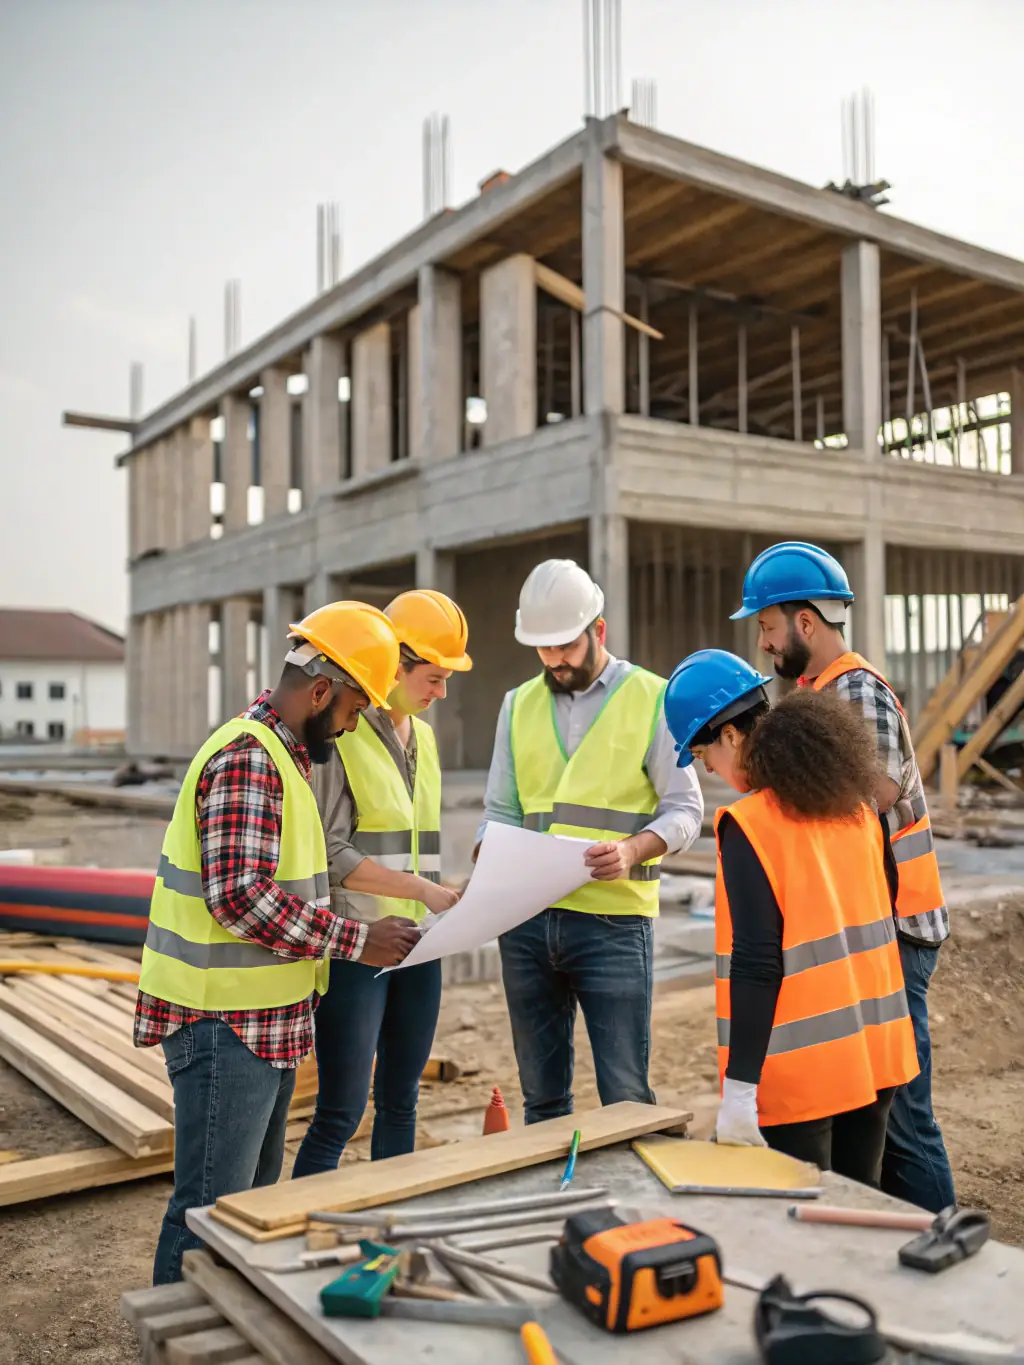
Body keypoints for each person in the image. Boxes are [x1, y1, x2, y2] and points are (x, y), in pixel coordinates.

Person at [135, 601, 422, 1284]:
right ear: (321, 690)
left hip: (264, 1021)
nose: (354, 724)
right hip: (222, 1024)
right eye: (354, 708)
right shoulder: (248, 759)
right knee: (208, 1207)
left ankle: (215, 1324)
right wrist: (357, 939)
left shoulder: (286, 757)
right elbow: (240, 896)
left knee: (248, 1202)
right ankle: (177, 1334)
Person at [731, 540, 955, 1212]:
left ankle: (944, 1246)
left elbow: (870, 799)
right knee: (877, 1116)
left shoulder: (860, 692)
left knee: (906, 1121)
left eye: (768, 627)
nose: (766, 643)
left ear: (805, 623)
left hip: (902, 928)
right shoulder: (818, 695)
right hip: (872, 932)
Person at [664, 649, 919, 1183]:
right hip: (876, 1050)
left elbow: (757, 961)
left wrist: (739, 1089)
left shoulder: (750, 823)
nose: (707, 767)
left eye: (704, 751)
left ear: (732, 736)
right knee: (858, 1213)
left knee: (803, 1232)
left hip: (802, 1075)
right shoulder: (853, 805)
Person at [478, 558, 704, 1123]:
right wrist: (488, 850)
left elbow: (686, 810)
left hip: (613, 925)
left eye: (565, 646)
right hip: (527, 923)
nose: (554, 660)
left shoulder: (654, 698)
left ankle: (629, 1210)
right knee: (543, 1100)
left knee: (625, 1096)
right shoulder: (516, 705)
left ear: (598, 631)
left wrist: (631, 852)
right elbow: (500, 811)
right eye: (543, 648)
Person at [292, 589, 469, 1176]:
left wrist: (447, 893)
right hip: (359, 948)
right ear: (396, 663)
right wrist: (420, 889)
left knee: (403, 1102)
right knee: (340, 1114)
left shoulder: (427, 739)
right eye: (434, 676)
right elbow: (331, 848)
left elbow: (418, 841)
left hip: (420, 945)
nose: (441, 691)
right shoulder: (342, 731)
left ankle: (391, 1230)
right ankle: (297, 1232)